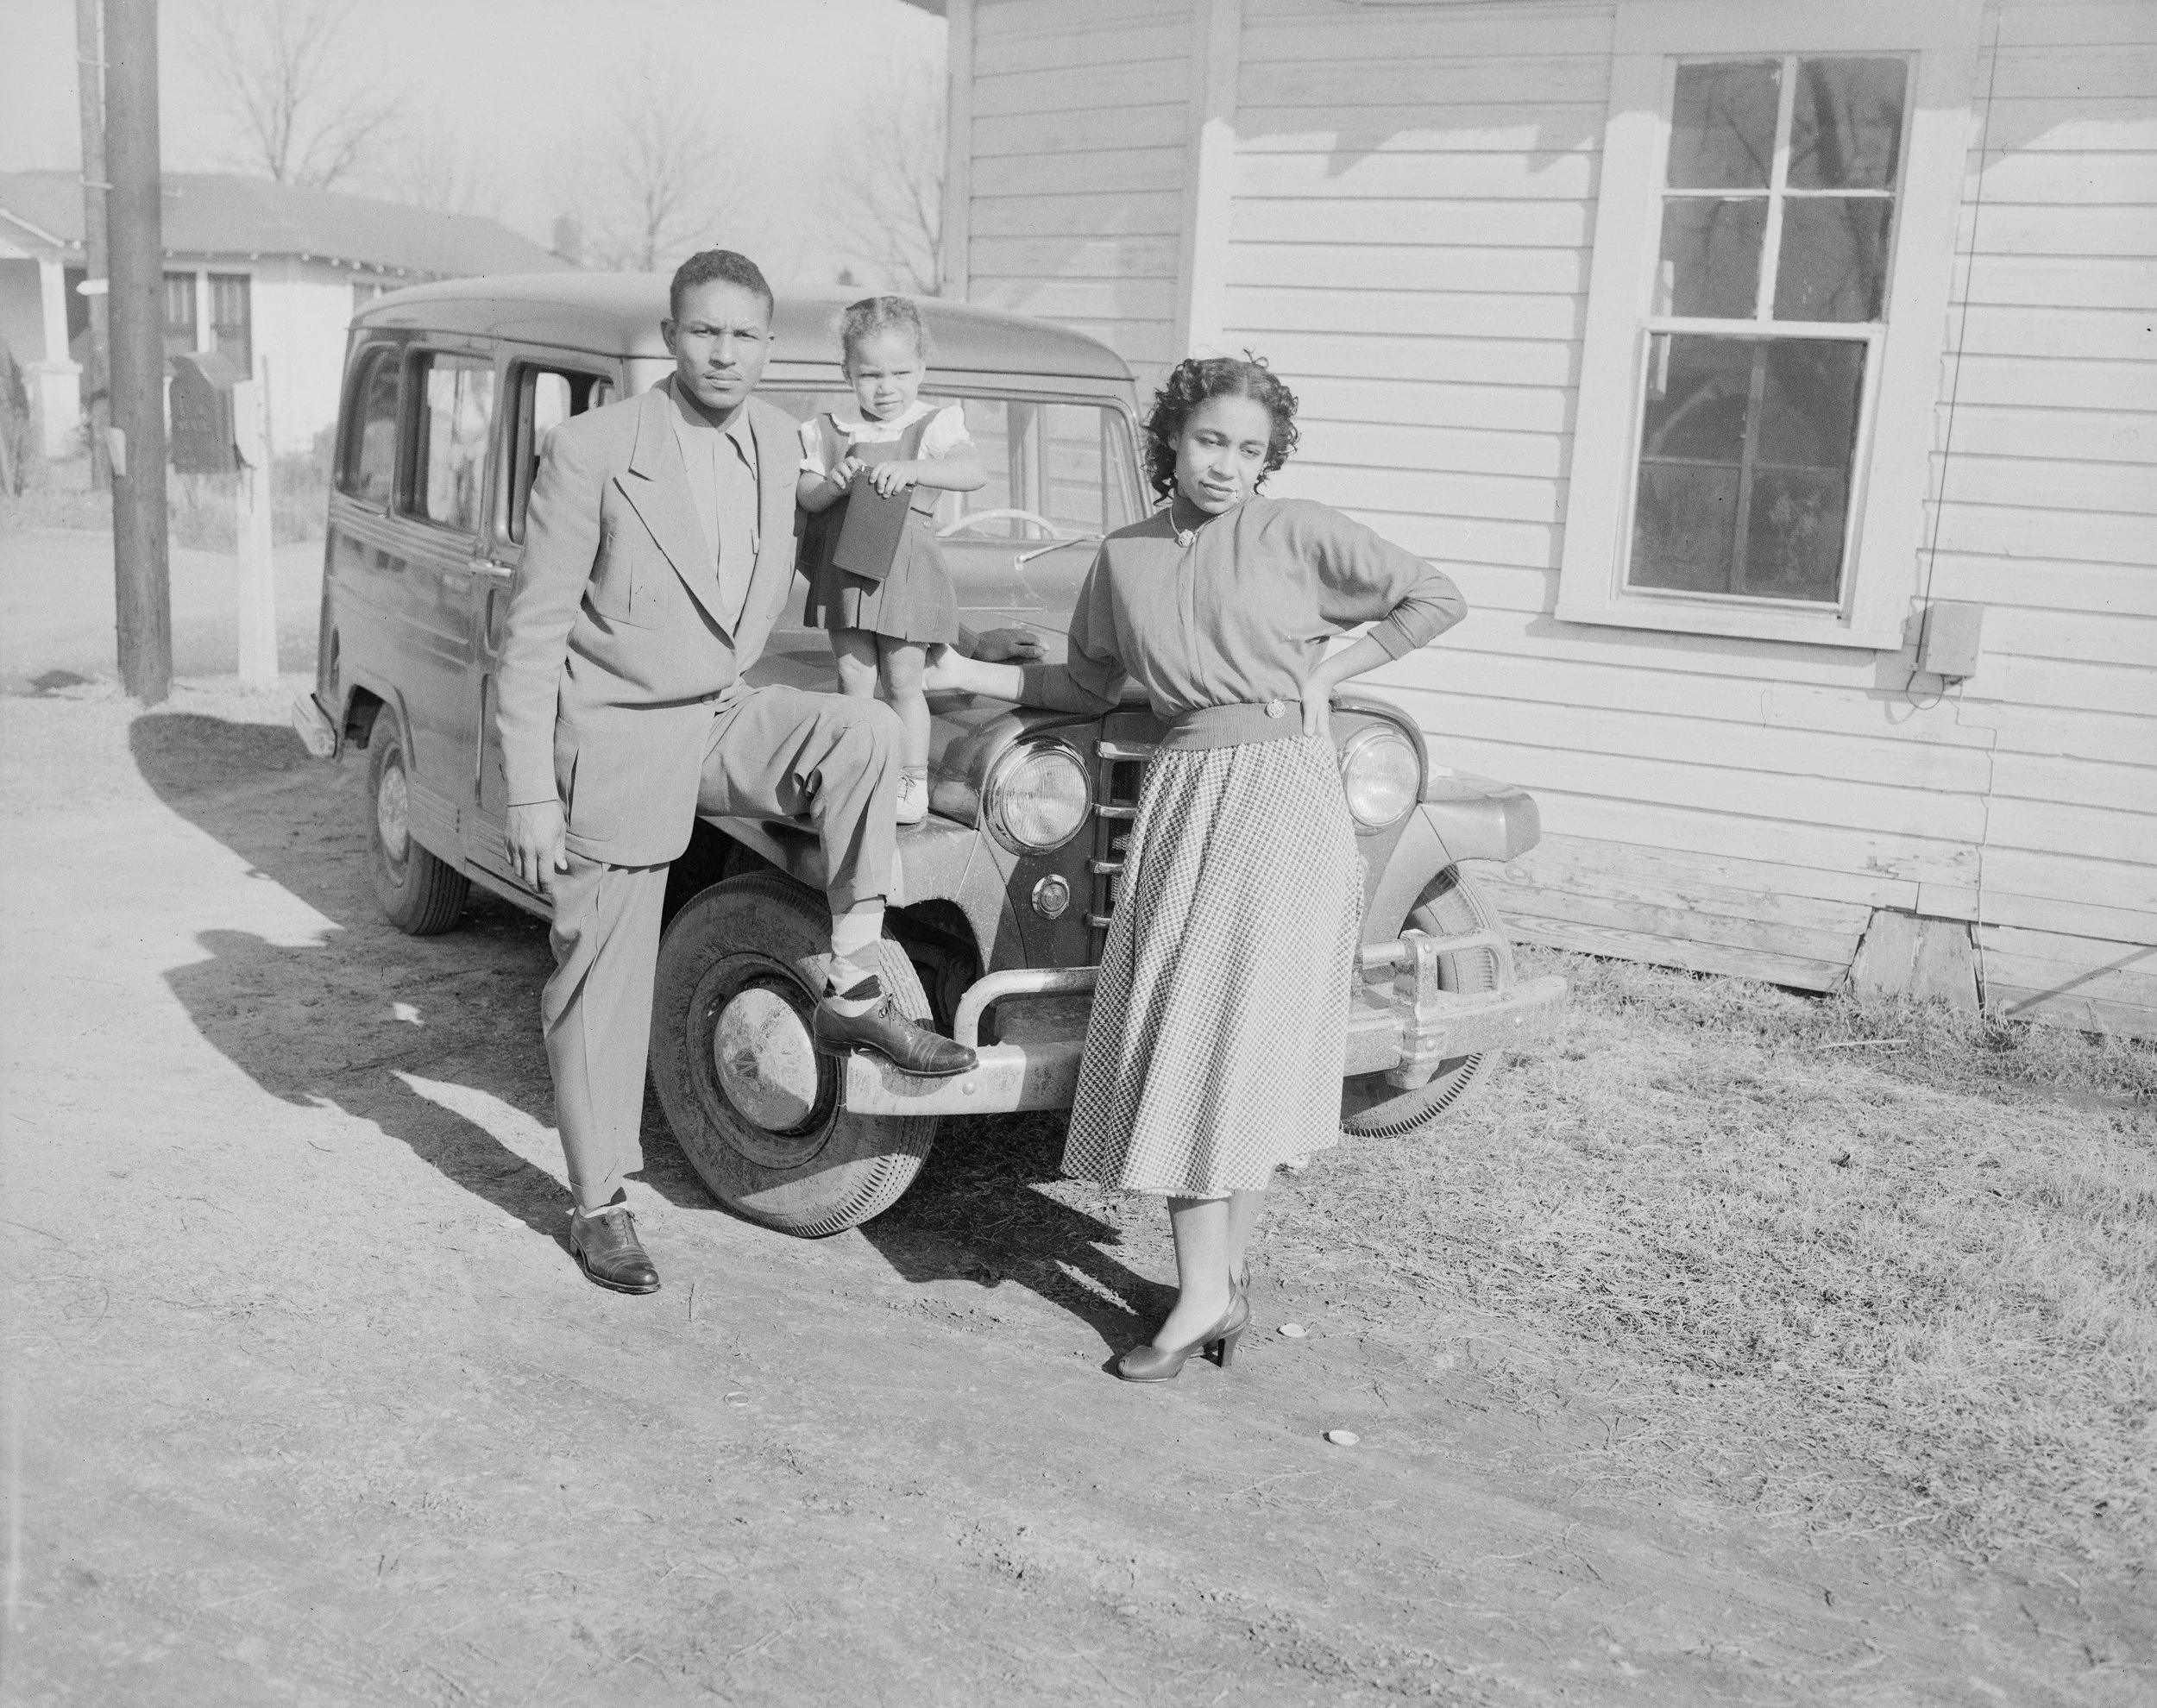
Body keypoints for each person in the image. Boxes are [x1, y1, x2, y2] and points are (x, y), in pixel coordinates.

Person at [925, 356, 1467, 1381]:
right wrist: (964, 670)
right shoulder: (1124, 556)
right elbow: (1084, 685)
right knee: (1189, 1028)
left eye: (1250, 451)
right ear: (1171, 438)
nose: (1226, 465)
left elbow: (1433, 597)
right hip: (1183, 794)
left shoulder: (1294, 531)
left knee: (1237, 1038)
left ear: (1269, 462)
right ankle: (1217, 1285)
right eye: (1211, 440)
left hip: (1281, 794)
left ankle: (1208, 1291)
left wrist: (1332, 670)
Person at [495, 250, 983, 1297]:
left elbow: (856, 547)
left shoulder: (779, 441)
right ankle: (598, 1203)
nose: (725, 352)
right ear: (672, 336)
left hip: (718, 714)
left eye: (745, 335)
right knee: (600, 984)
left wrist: (940, 628)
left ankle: (851, 982)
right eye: (705, 331)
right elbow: (530, 638)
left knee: (863, 733)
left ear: (769, 346)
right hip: (618, 738)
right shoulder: (592, 449)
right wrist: (532, 792)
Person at [796, 297, 985, 825]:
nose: (886, 387)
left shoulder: (935, 424)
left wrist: (914, 469)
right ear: (847, 373)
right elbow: (806, 494)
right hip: (847, 572)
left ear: (921, 368)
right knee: (852, 678)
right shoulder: (826, 429)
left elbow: (972, 472)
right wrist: (831, 485)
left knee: (904, 682)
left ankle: (910, 781)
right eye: (870, 375)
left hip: (907, 575)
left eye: (900, 373)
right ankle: (851, 772)